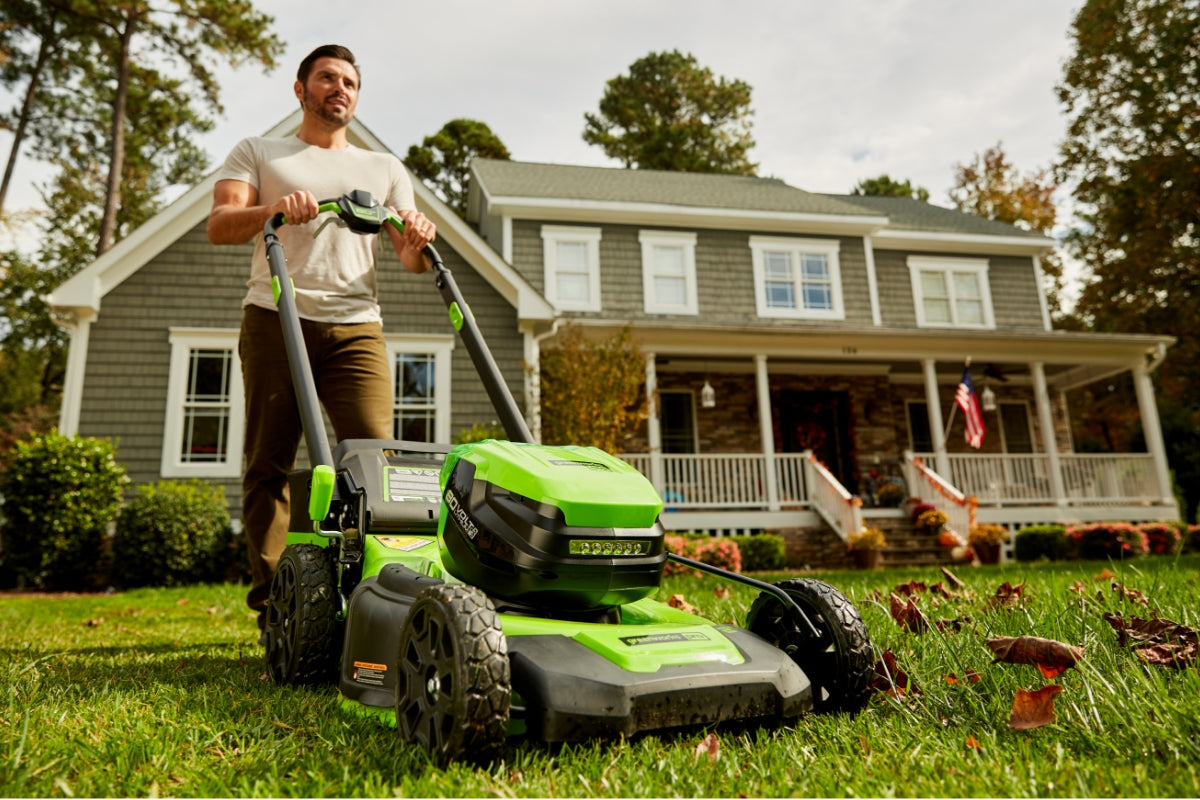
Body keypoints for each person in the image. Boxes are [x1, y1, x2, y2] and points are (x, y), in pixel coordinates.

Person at [206, 44, 436, 636]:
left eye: (351, 82)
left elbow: (409, 258)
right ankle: (277, 608)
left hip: (357, 325)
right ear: (301, 89)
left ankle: (376, 599)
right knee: (269, 463)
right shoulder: (259, 151)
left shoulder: (384, 168)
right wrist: (273, 210)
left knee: (376, 465)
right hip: (275, 316)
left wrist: (415, 233)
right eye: (328, 78)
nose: (341, 88)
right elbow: (219, 225)